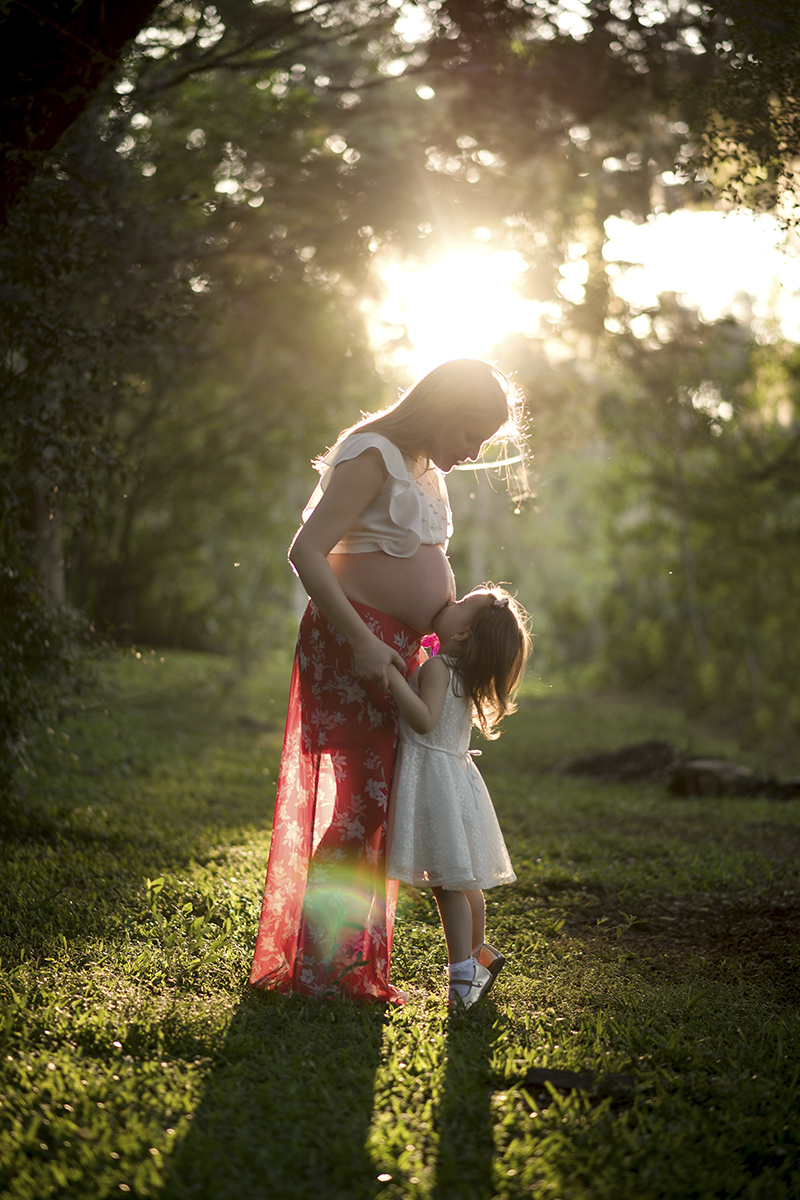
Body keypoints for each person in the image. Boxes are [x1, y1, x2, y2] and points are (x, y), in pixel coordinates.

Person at [249, 359, 525, 1004]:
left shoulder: (427, 467)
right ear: (440, 408)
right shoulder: (374, 452)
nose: (474, 452)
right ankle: (327, 967)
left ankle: (348, 964)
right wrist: (364, 641)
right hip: (358, 643)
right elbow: (307, 551)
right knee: (364, 803)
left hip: (398, 650)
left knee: (384, 805)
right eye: (471, 433)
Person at [385, 585, 530, 1009]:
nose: (450, 601)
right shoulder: (462, 674)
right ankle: (479, 956)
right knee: (465, 883)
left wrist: (392, 675)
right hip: (457, 782)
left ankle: (463, 978)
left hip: (433, 782)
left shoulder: (437, 669)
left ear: (464, 633)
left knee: (446, 885)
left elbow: (425, 721)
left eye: (461, 604)